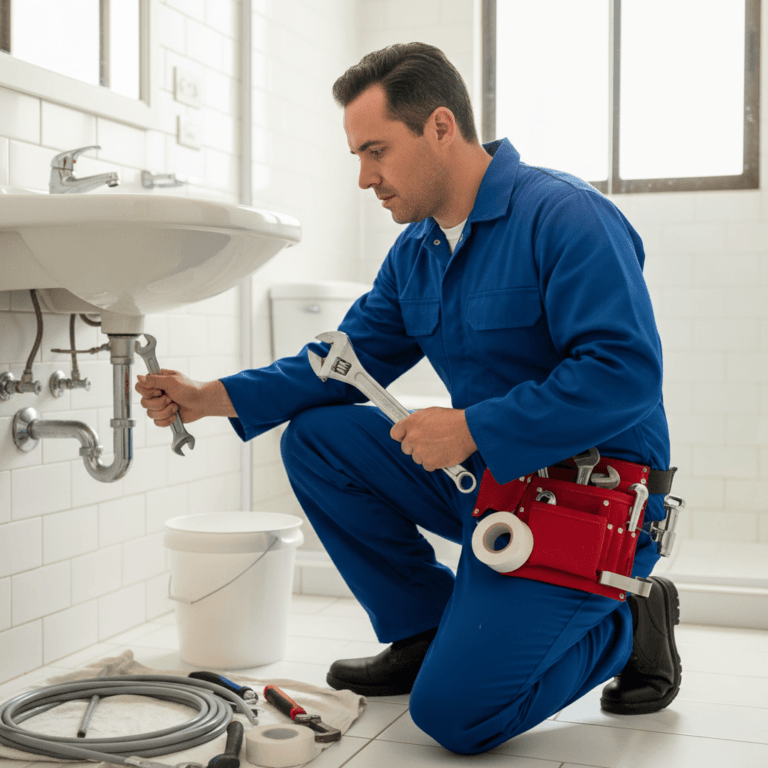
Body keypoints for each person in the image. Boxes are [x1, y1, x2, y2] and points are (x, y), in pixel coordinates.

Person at [136, 43, 682, 755]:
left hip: (588, 502)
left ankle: (623, 624)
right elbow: (343, 364)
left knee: (455, 719)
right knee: (319, 438)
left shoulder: (566, 216)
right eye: (357, 156)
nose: (366, 178)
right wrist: (213, 397)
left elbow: (625, 372)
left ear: (441, 128)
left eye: (376, 151)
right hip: (493, 485)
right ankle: (425, 630)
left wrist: (473, 427)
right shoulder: (419, 251)